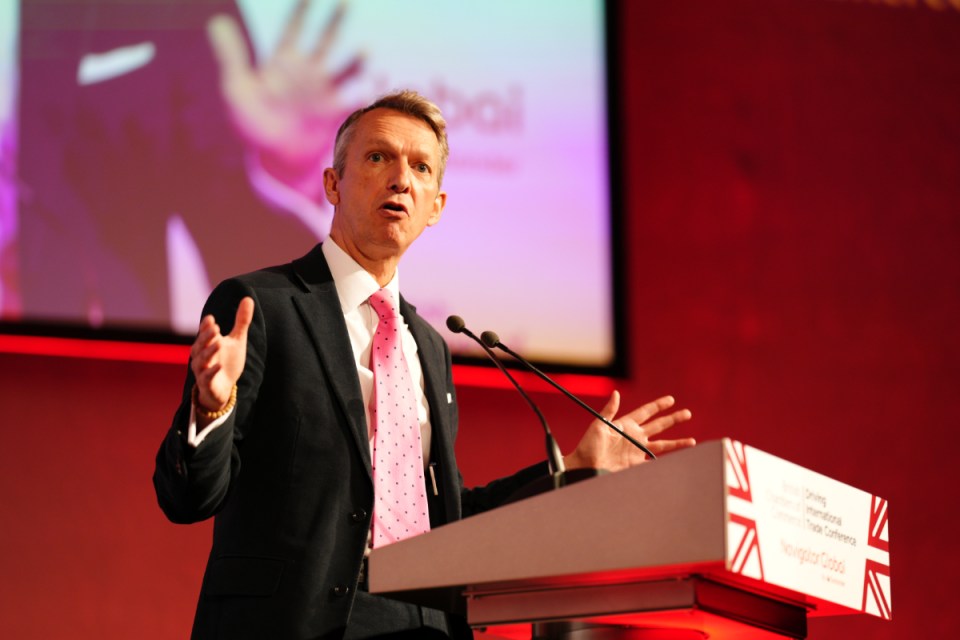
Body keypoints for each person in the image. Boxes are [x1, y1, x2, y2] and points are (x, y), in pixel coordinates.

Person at [153, 90, 695, 639]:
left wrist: (573, 469)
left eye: (420, 167)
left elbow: (449, 518)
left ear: (435, 205)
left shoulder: (430, 346)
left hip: (424, 624)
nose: (400, 179)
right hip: (296, 621)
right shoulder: (261, 306)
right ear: (332, 184)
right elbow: (188, 498)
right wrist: (211, 405)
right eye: (377, 158)